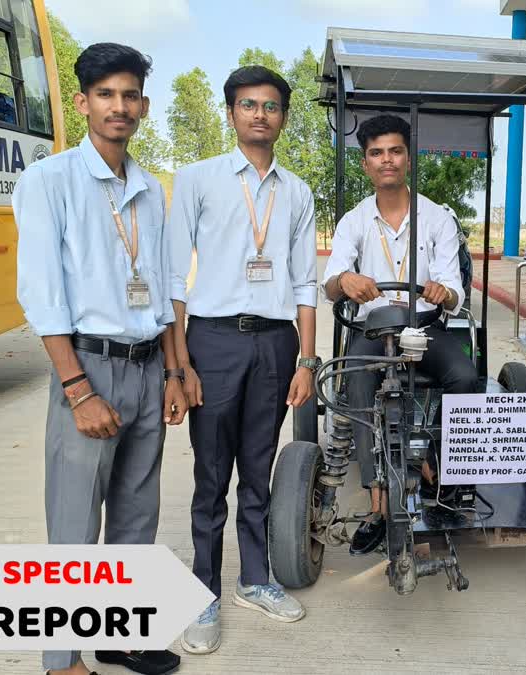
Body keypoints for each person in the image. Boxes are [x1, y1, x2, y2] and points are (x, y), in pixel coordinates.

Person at [14, 43, 185, 675]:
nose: (120, 106)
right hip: (88, 368)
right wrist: (78, 391)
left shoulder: (147, 190)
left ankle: (121, 635)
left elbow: (162, 288)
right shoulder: (49, 181)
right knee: (75, 522)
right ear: (84, 103)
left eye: (130, 94)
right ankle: (62, 660)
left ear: (143, 104)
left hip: (146, 367)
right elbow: (41, 295)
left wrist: (173, 370)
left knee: (137, 516)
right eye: (106, 94)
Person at [170, 65, 319, 654]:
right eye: (249, 105)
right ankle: (203, 592)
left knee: (258, 468)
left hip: (275, 343)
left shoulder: (298, 191)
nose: (261, 114)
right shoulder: (199, 180)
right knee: (211, 476)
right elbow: (173, 280)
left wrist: (307, 358)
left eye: (272, 106)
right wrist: (179, 366)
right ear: (231, 113)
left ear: (283, 116)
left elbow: (306, 283)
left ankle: (254, 579)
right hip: (213, 341)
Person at [323, 114, 478, 555]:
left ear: (408, 158)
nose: (386, 160)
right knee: (355, 380)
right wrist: (346, 282)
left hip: (426, 330)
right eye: (376, 153)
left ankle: (448, 473)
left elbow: (453, 292)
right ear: (366, 162)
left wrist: (443, 290)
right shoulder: (354, 220)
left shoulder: (437, 218)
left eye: (394, 151)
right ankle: (376, 500)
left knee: (464, 377)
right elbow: (332, 279)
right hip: (375, 330)